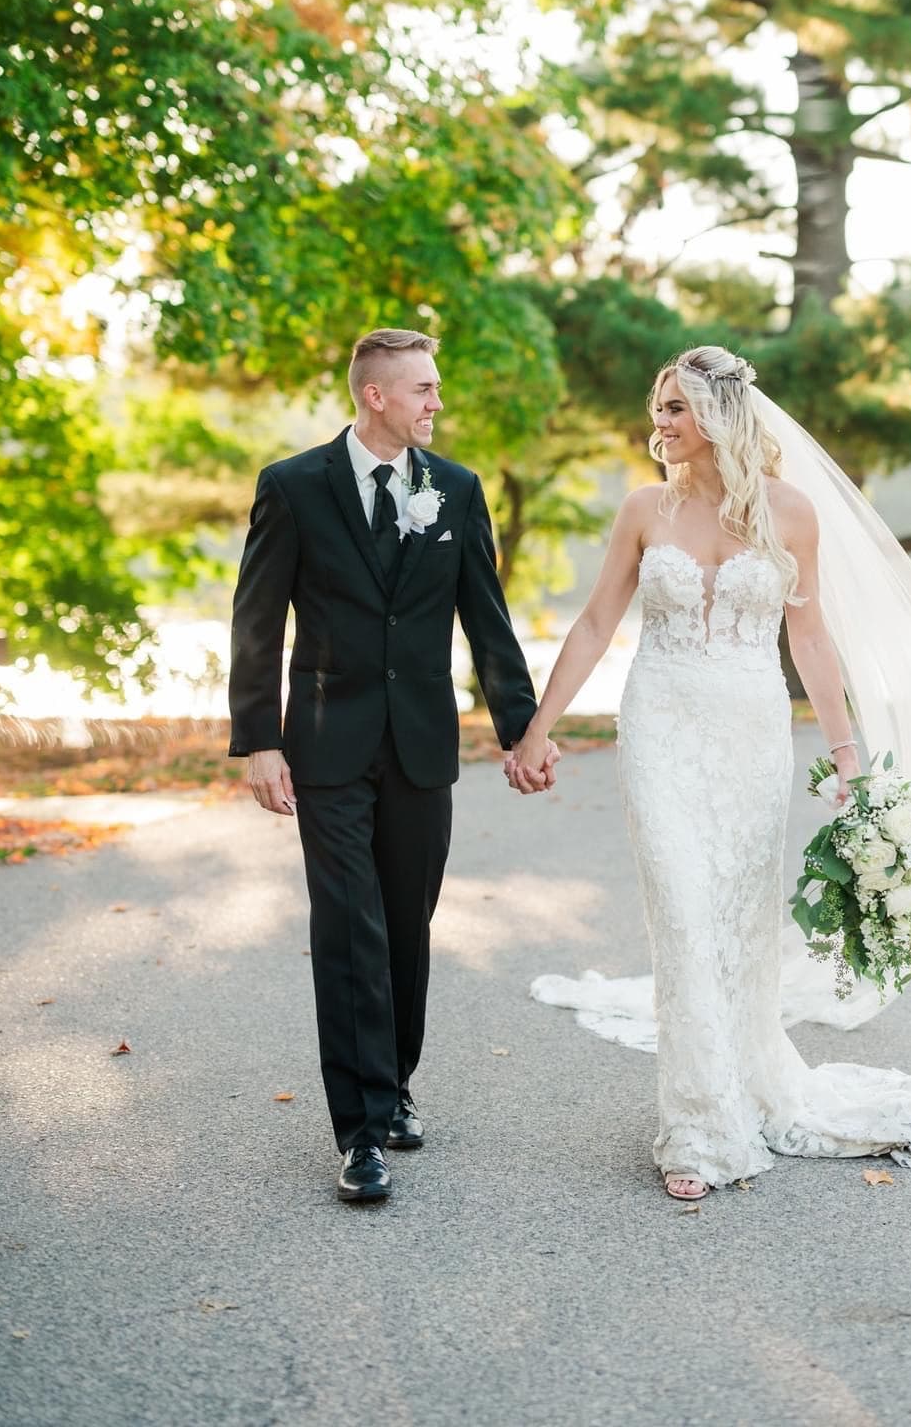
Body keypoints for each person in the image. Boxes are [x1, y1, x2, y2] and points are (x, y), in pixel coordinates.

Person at [506, 346, 911, 1200]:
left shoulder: (791, 513)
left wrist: (848, 755)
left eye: (677, 410)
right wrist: (537, 731)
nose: (660, 424)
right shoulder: (644, 509)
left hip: (752, 735)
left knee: (738, 922)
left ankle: (748, 1082)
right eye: (659, 407)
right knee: (684, 917)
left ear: (722, 417)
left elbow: (810, 641)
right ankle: (697, 1129)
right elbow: (592, 626)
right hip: (660, 727)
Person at [228, 327, 558, 1204]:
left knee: (406, 924)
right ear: (375, 395)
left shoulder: (456, 489)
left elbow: (487, 620)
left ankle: (397, 1083)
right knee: (348, 927)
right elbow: (256, 622)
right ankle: (361, 1130)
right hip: (327, 745)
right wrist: (259, 739)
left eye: (436, 387)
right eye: (423, 389)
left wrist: (523, 729)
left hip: (420, 744)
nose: (436, 403)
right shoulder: (294, 487)